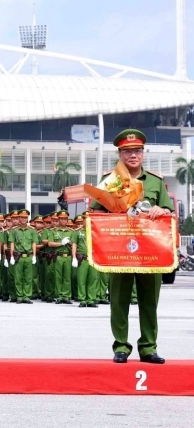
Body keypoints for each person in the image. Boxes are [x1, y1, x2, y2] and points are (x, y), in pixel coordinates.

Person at [91, 128, 172, 365]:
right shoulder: (110, 181)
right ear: (120, 154)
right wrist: (115, 213)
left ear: (143, 153)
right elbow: (95, 214)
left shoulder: (156, 182)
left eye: (137, 150)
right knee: (119, 300)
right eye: (127, 151)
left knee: (149, 301)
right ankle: (121, 346)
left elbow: (168, 212)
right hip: (119, 250)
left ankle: (148, 347)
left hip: (150, 251)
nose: (133, 155)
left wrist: (161, 210)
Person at [9, 209, 38, 304]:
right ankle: (19, 296)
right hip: (19, 257)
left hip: (28, 256)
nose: (23, 219)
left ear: (27, 218)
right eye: (21, 217)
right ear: (19, 218)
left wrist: (34, 256)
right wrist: (12, 256)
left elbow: (34, 243)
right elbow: (12, 244)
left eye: (25, 217)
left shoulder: (32, 230)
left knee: (28, 278)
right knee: (18, 277)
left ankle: (26, 296)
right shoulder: (14, 230)